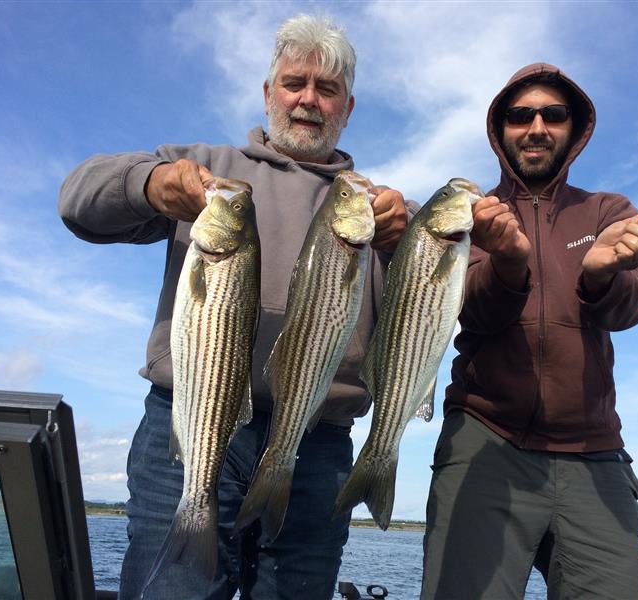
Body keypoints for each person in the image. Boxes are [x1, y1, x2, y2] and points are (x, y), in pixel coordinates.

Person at [59, 15, 411, 600]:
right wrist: (151, 184)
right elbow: (77, 200)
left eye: (327, 89)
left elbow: (437, 307)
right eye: (294, 83)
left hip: (317, 444)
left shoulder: (379, 209)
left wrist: (406, 242)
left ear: (348, 108)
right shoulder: (203, 170)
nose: (308, 99)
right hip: (190, 420)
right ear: (269, 93)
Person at [421, 63, 638, 599]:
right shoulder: (474, 214)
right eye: (520, 115)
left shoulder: (607, 210)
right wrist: (508, 263)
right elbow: (473, 312)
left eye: (553, 115)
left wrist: (601, 275)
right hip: (486, 438)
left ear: (573, 129)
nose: (536, 127)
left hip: (595, 450)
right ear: (500, 129)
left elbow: (631, 308)